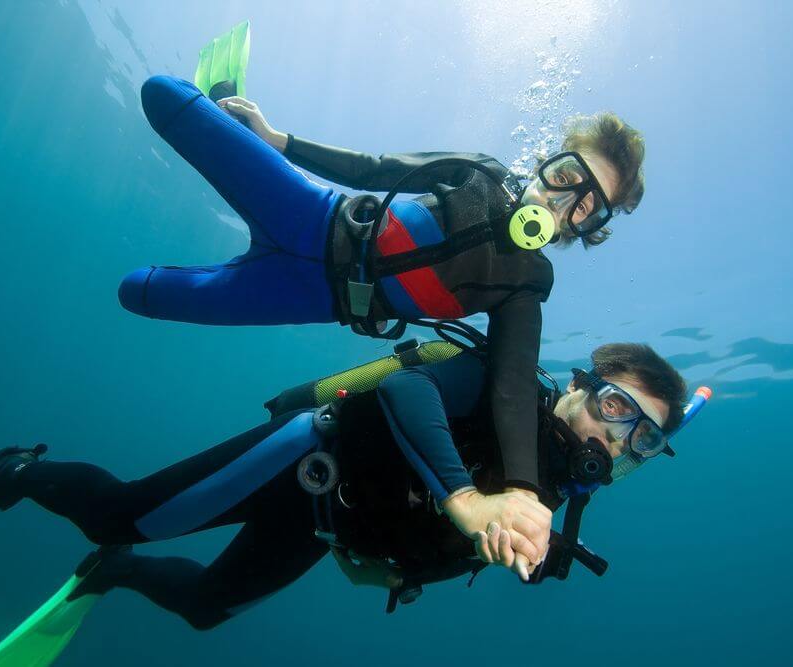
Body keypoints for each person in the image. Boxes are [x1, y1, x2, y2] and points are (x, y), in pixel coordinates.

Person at [116, 25, 648, 558]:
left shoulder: (529, 283)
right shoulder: (479, 172)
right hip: (312, 215)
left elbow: (511, 383)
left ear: (587, 229)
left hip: (311, 297)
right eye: (568, 177)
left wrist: (522, 492)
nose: (565, 203)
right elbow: (378, 168)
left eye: (586, 207)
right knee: (164, 94)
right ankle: (219, 104)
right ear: (548, 165)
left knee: (138, 292)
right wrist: (280, 141)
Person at [0, 341, 697, 665]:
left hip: (326, 529)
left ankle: (111, 572)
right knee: (119, 508)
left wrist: (510, 541)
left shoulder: (559, 508)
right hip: (303, 461)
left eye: (646, 440)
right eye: (616, 407)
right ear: (579, 389)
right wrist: (465, 502)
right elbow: (411, 389)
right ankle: (10, 476)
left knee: (203, 605)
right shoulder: (507, 384)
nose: (620, 438)